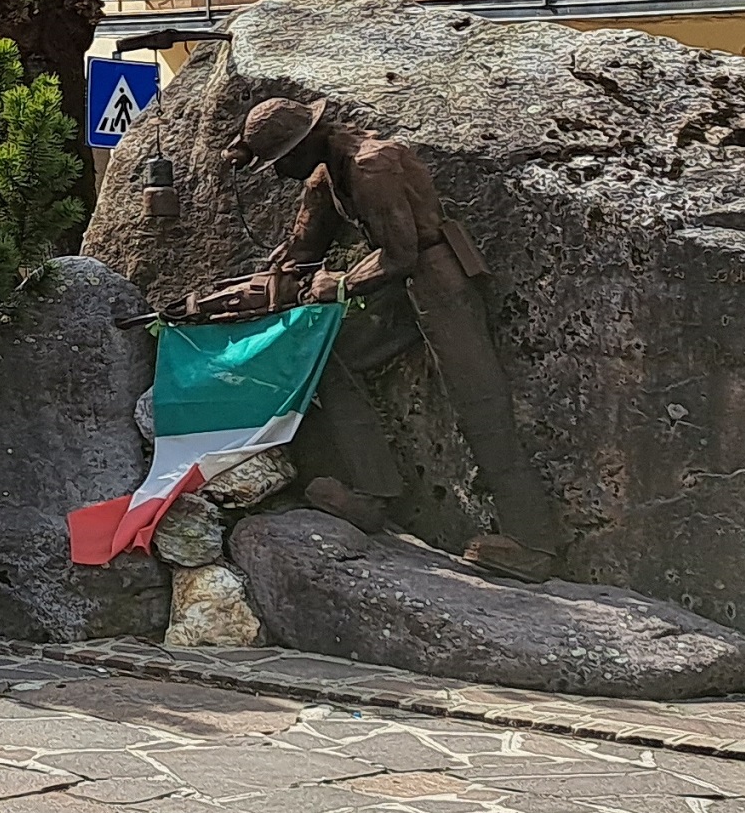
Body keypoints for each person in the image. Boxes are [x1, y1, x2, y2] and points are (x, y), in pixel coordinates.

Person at [172, 95, 564, 583]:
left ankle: (531, 544)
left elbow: (400, 253)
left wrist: (337, 284)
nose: (277, 174)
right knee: (327, 357)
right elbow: (304, 245)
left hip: (439, 279)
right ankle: (372, 493)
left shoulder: (371, 167)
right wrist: (276, 277)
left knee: (480, 404)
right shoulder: (326, 174)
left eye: (279, 161)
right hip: (398, 291)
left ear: (304, 143)